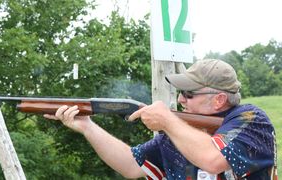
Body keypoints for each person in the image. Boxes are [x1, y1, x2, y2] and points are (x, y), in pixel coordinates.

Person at [44, 59, 277, 180]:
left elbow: (214, 159)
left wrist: (167, 121)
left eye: (189, 93)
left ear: (219, 100)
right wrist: (87, 126)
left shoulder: (252, 120)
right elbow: (130, 166)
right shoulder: (180, 133)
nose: (181, 99)